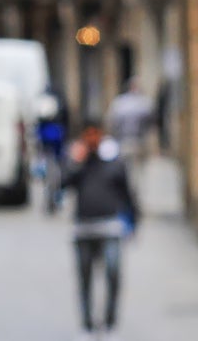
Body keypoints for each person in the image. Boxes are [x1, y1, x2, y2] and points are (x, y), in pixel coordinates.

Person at [60, 118, 139, 340]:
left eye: (96, 134)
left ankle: (109, 322)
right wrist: (76, 163)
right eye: (88, 135)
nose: (92, 139)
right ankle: (87, 324)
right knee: (84, 278)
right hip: (83, 229)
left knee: (113, 273)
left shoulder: (114, 160)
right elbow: (62, 186)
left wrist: (134, 221)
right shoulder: (77, 160)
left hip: (110, 227)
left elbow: (127, 192)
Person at [107, 78, 154, 171]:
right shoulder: (145, 103)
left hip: (129, 140)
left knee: (125, 166)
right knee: (137, 167)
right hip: (134, 140)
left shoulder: (119, 102)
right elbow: (151, 121)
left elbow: (111, 121)